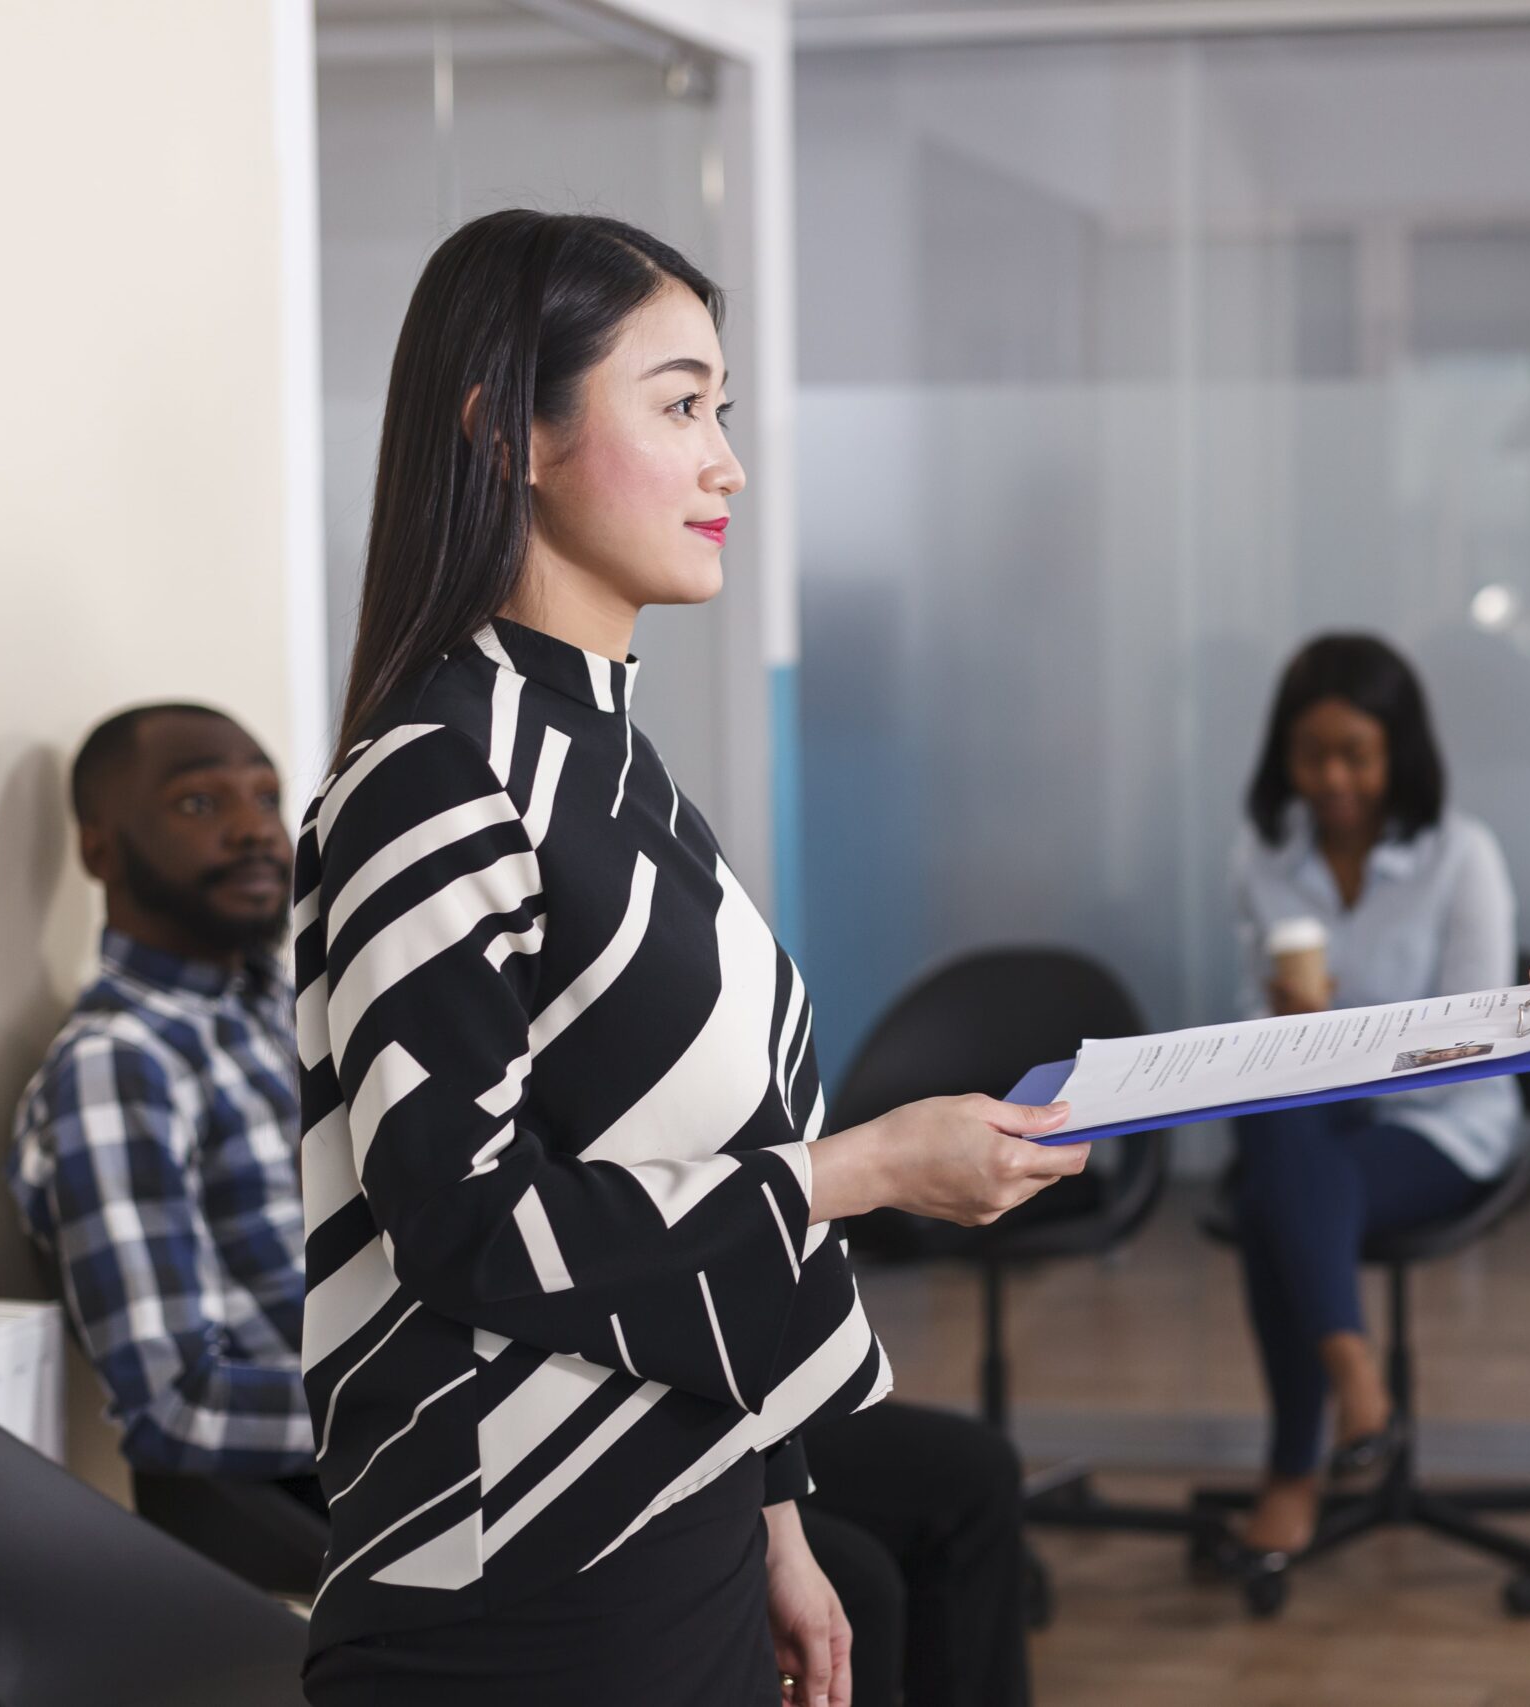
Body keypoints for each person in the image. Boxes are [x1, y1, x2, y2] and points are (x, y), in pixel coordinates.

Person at [295, 209, 1089, 1707]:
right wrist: (861, 1168)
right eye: (679, 405)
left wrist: (777, 1507)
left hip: (675, 1517)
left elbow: (693, 1166)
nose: (728, 459)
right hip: (516, 1574)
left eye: (720, 408)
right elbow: (461, 1222)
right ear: (506, 432)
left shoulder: (606, 758)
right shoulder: (434, 776)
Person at [10, 704, 325, 1588]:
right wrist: (438, 1403)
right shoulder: (120, 1064)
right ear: (99, 851)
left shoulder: (279, 1003)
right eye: (199, 805)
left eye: (265, 797)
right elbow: (175, 1402)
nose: (254, 830)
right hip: (342, 1486)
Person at [1224, 634, 1520, 1558]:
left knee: (1278, 1187)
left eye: (1357, 753)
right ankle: (1351, 1371)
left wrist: (1343, 1037)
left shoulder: (1461, 855)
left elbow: (1481, 1039)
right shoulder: (1262, 856)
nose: (1334, 778)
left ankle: (1294, 1463)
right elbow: (1246, 1026)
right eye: (1312, 756)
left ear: (1399, 753)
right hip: (1306, 1112)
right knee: (1280, 1130)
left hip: (1440, 1122)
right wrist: (1283, 1019)